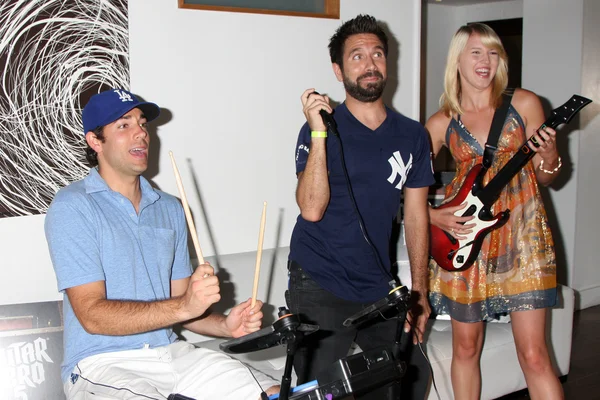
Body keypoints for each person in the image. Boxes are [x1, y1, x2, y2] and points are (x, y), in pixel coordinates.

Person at [44, 88, 280, 400]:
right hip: (100, 364)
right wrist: (184, 305)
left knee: (276, 393)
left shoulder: (171, 208)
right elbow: (92, 315)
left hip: (170, 353)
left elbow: (182, 305)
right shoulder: (72, 206)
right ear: (95, 141)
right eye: (124, 125)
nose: (141, 133)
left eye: (142, 124)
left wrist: (225, 325)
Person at [287, 15, 435, 399]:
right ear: (338, 70)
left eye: (377, 54)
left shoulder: (413, 134)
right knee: (318, 392)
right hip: (320, 278)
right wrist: (319, 132)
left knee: (403, 381)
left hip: (378, 284)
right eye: (357, 56)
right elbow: (311, 210)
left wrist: (420, 292)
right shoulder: (319, 128)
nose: (370, 64)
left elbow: (417, 215)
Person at [426, 23, 564, 400]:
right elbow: (403, 187)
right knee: (466, 349)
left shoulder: (524, 103)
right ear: (457, 59)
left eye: (493, 52)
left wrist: (549, 155)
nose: (485, 61)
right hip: (466, 241)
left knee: (534, 355)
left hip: (523, 237)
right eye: (476, 52)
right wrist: (433, 215)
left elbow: (548, 177)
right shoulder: (441, 124)